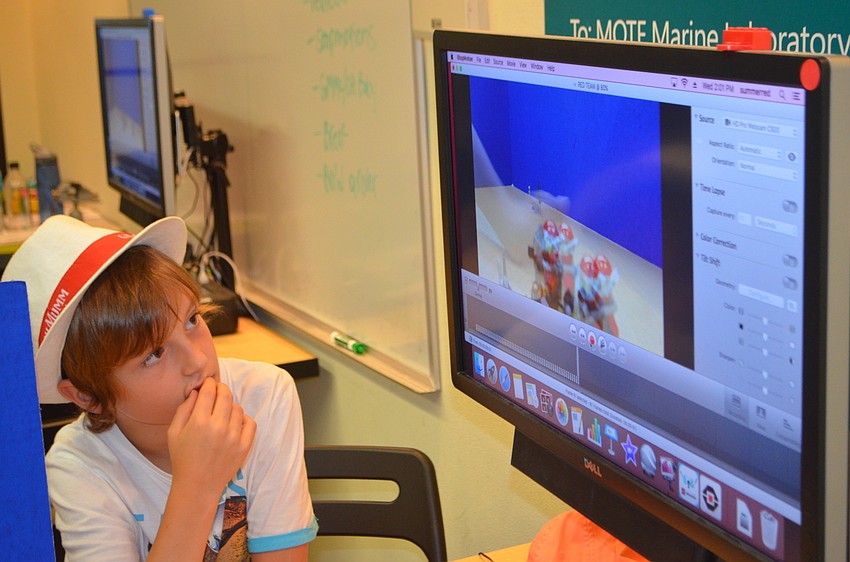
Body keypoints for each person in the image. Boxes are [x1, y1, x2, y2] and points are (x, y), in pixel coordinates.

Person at [2, 215, 317, 561]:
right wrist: (197, 484)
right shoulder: (79, 468)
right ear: (87, 396)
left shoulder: (265, 396)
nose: (197, 361)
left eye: (192, 320)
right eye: (154, 354)